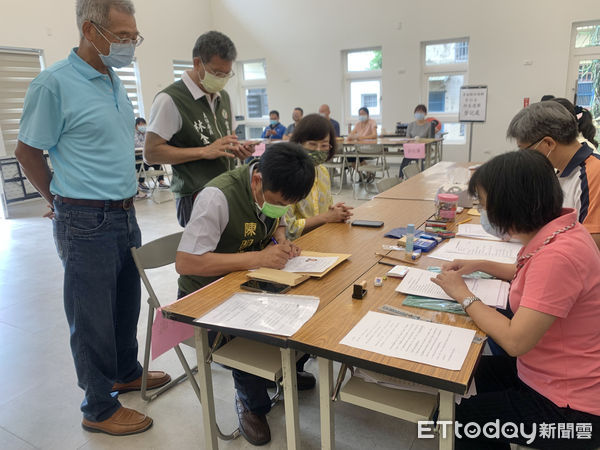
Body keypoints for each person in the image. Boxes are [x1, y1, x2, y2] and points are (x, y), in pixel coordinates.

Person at [14, 0, 170, 436]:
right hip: (85, 218)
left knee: (124, 303)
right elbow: (27, 151)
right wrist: (59, 199)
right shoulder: (53, 85)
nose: (130, 46)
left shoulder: (111, 80)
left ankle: (124, 371)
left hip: (124, 212)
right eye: (122, 37)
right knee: (91, 315)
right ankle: (98, 406)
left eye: (133, 37)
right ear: (90, 30)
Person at [431, 150, 600, 449]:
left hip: (570, 408)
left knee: (453, 419)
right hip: (552, 373)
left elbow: (514, 342)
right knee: (469, 372)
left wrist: (463, 294)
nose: (482, 212)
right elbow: (530, 274)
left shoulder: (558, 257)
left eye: (483, 205)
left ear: (510, 204)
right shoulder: (563, 230)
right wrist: (480, 264)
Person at [175, 143, 316, 446]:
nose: (282, 208)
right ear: (257, 180)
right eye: (279, 201)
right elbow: (185, 263)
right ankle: (251, 403)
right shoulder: (217, 197)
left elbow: (274, 218)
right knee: (251, 326)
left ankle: (283, 369)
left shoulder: (269, 192)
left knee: (311, 302)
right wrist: (257, 259)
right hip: (204, 293)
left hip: (243, 281)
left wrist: (280, 239)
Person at [144, 31, 254, 227]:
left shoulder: (223, 97)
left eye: (226, 74)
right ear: (197, 64)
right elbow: (151, 154)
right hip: (195, 195)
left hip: (227, 190)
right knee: (204, 255)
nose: (221, 79)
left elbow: (228, 140)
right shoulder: (170, 99)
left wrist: (238, 150)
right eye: (216, 73)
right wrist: (204, 151)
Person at [507, 101, 600, 249]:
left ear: (548, 144)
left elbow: (592, 245)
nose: (524, 156)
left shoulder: (594, 174)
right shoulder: (558, 171)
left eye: (525, 150)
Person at [285, 114, 353, 239]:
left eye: (324, 145)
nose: (318, 150)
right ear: (299, 143)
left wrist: (335, 212)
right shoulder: (287, 175)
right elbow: (288, 228)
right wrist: (326, 217)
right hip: (297, 244)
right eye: (312, 144)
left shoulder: (322, 172)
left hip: (322, 237)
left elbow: (325, 210)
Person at [399, 104, 434, 177]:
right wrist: (411, 141)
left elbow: (431, 139)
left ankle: (421, 177)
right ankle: (400, 178)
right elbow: (407, 137)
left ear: (425, 113)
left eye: (421, 112)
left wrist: (421, 141)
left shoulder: (429, 125)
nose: (419, 114)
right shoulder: (411, 125)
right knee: (405, 161)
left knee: (420, 161)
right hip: (412, 149)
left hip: (424, 149)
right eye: (417, 112)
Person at [134, 117, 167, 192]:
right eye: (141, 124)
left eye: (144, 124)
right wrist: (146, 144)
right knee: (143, 163)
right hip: (138, 157)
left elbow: (150, 142)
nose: (143, 126)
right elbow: (137, 144)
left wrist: (146, 144)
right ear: (136, 126)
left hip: (146, 154)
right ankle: (141, 182)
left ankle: (161, 181)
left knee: (157, 161)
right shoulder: (134, 133)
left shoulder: (147, 133)